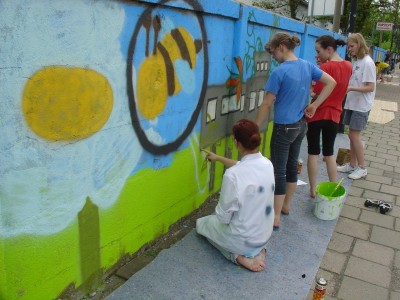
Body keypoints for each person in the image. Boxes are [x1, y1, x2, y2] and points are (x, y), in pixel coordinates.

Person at [255, 32, 336, 230]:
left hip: (284, 127)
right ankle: (286, 206)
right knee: (292, 166)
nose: (273, 56)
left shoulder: (279, 72)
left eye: (273, 52)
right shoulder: (307, 65)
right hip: (301, 125)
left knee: (278, 170)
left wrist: (255, 127)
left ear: (281, 47)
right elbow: (331, 83)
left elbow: (266, 103)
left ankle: (275, 215)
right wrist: (315, 105)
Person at [196, 119, 274, 272]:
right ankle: (260, 250)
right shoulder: (267, 164)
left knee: (203, 225)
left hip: (243, 240)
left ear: (235, 142)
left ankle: (238, 257)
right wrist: (217, 158)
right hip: (264, 235)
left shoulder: (232, 176)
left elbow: (223, 218)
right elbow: (242, 165)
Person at [306, 35, 352, 198]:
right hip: (334, 116)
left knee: (313, 153)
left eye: (319, 51)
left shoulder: (324, 68)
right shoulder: (348, 66)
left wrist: (309, 93)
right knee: (329, 153)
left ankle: (312, 189)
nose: (317, 56)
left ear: (329, 49)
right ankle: (334, 188)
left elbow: (317, 93)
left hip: (316, 114)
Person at [337, 33, 376, 179]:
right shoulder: (358, 61)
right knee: (351, 135)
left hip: (361, 106)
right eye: (349, 47)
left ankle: (362, 167)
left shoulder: (367, 62)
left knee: (354, 135)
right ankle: (352, 165)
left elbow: (370, 87)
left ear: (359, 44)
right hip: (353, 103)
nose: (350, 49)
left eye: (352, 46)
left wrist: (352, 89)